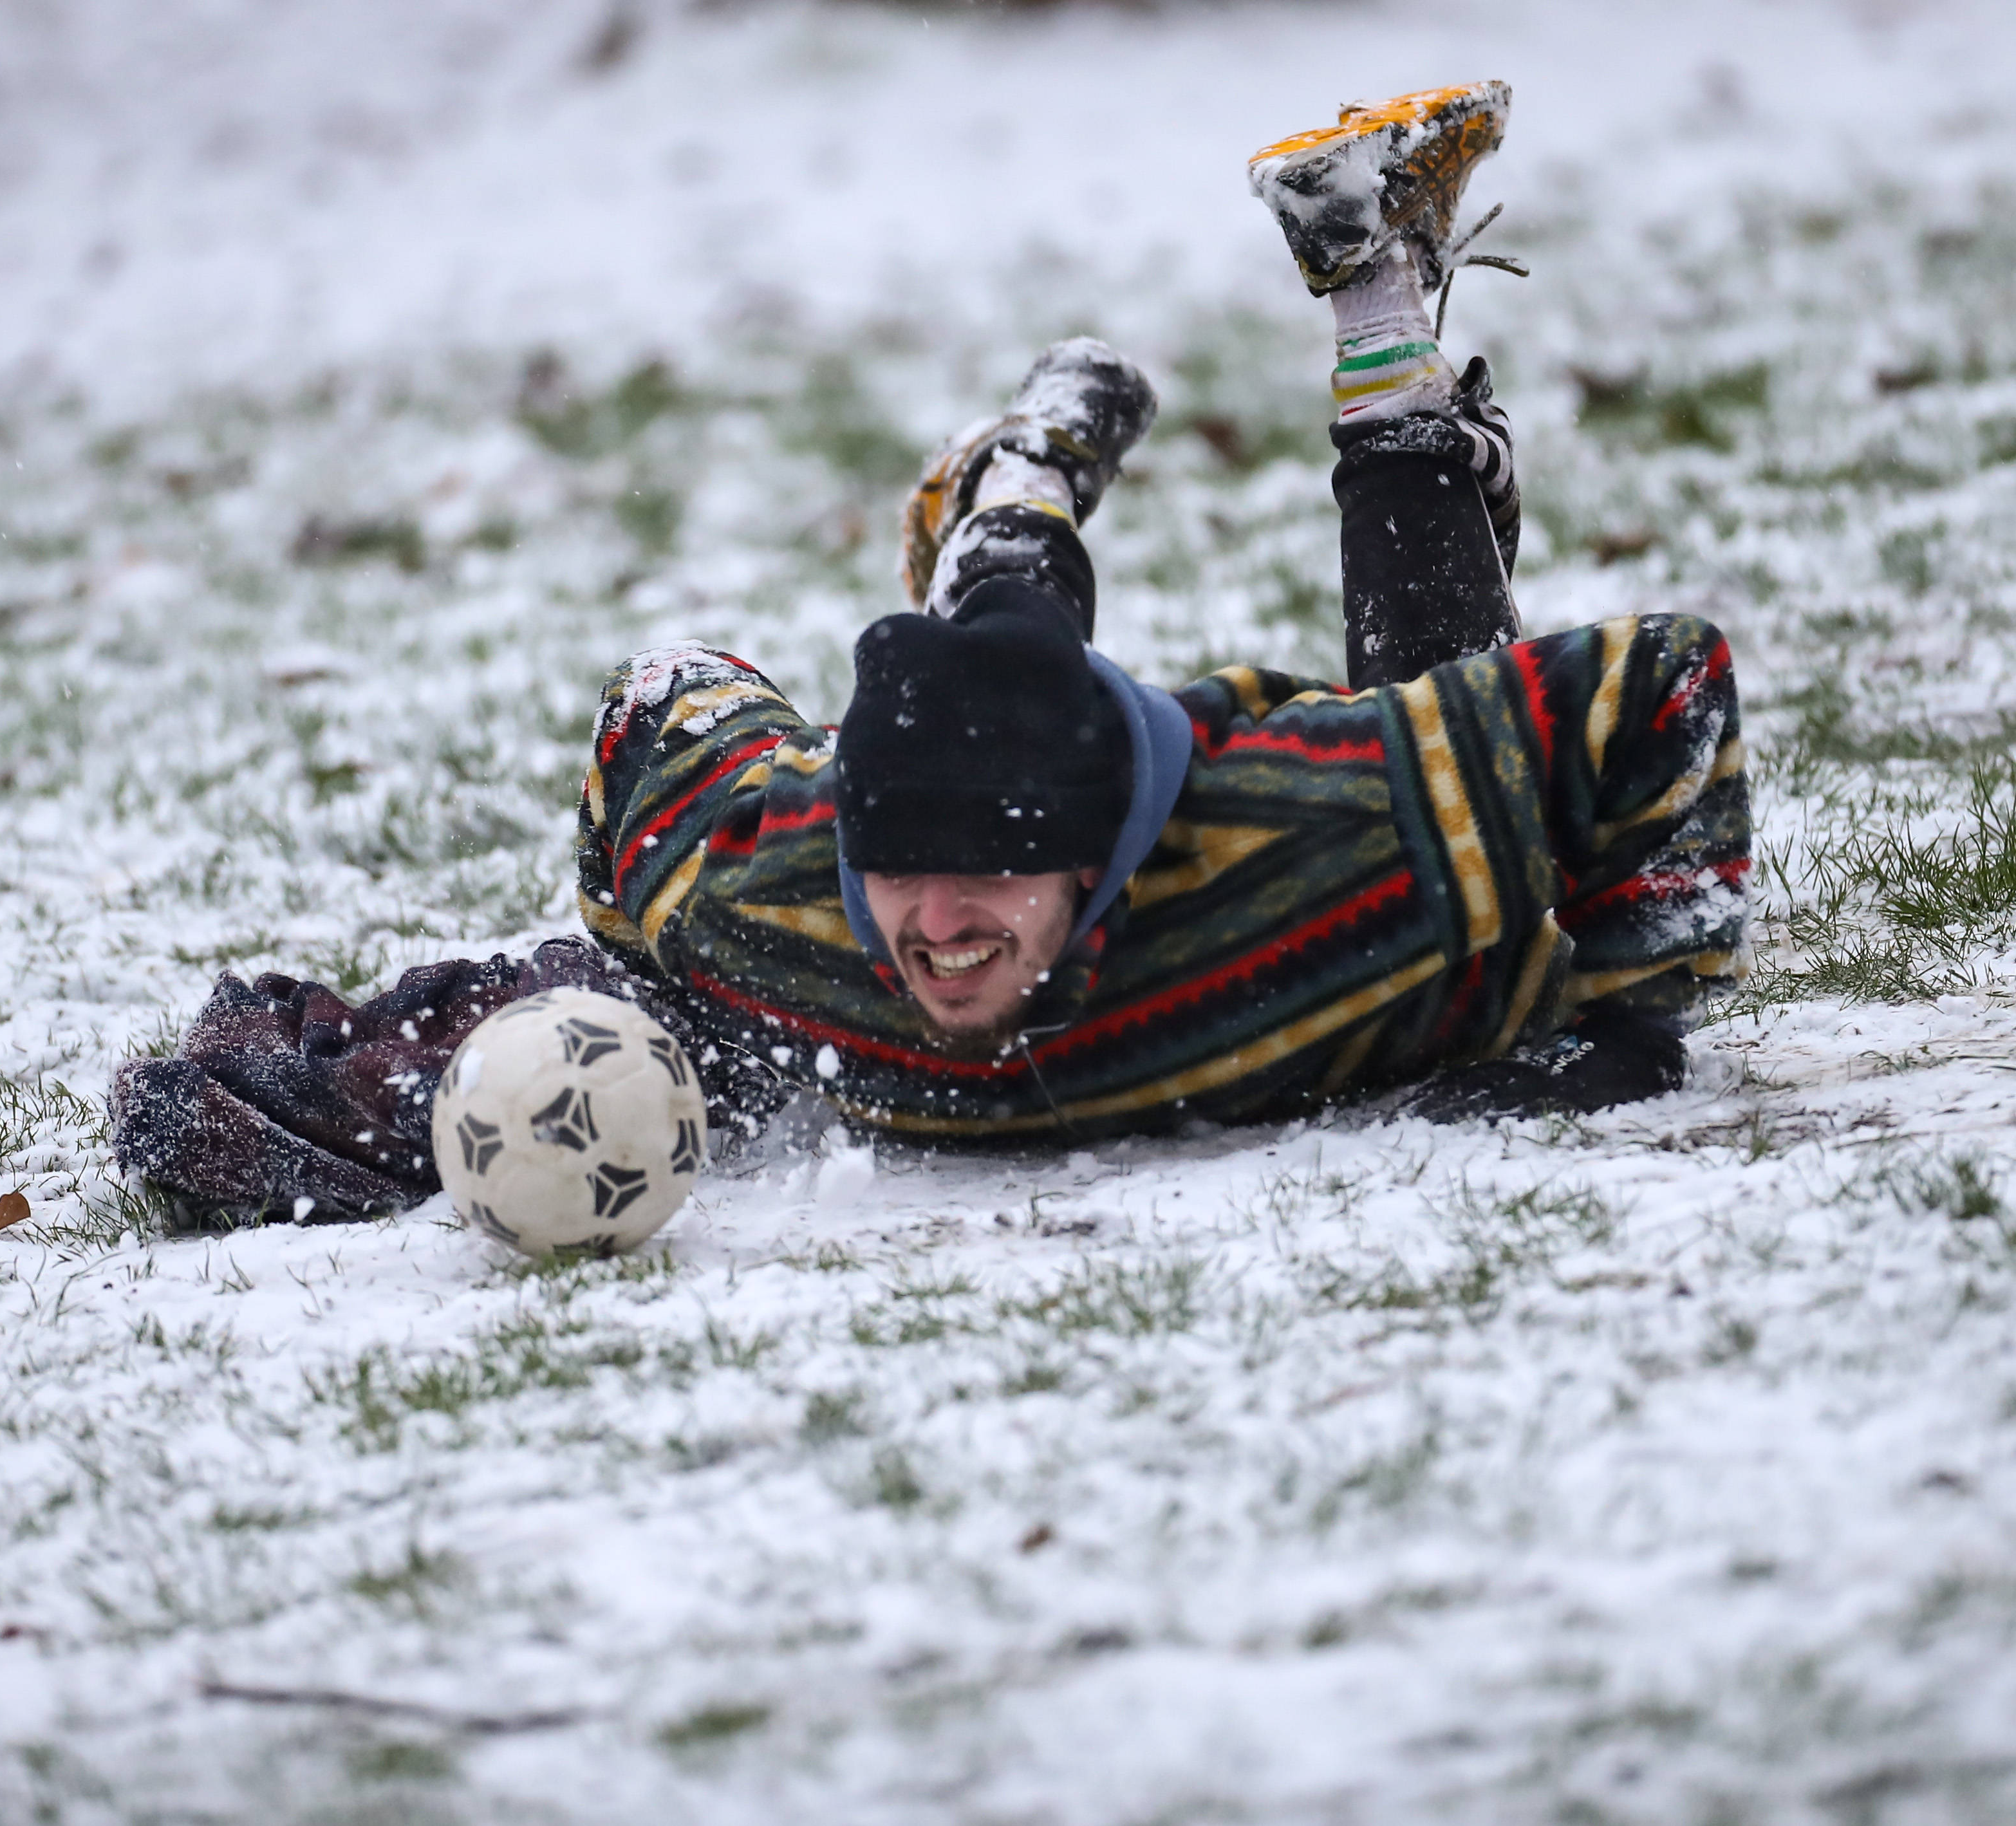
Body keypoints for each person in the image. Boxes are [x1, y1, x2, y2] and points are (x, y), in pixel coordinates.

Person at [111, 82, 1752, 1222]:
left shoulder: (1325, 833)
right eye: (901, 874)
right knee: (986, 649)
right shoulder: (784, 899)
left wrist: (1620, 1020)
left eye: (987, 883)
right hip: (937, 745)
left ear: (1090, 869)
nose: (938, 930)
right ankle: (1022, 479)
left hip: (1243, 804)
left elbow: (1664, 685)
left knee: (1448, 787)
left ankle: (1366, 305)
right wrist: (566, 987)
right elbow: (659, 710)